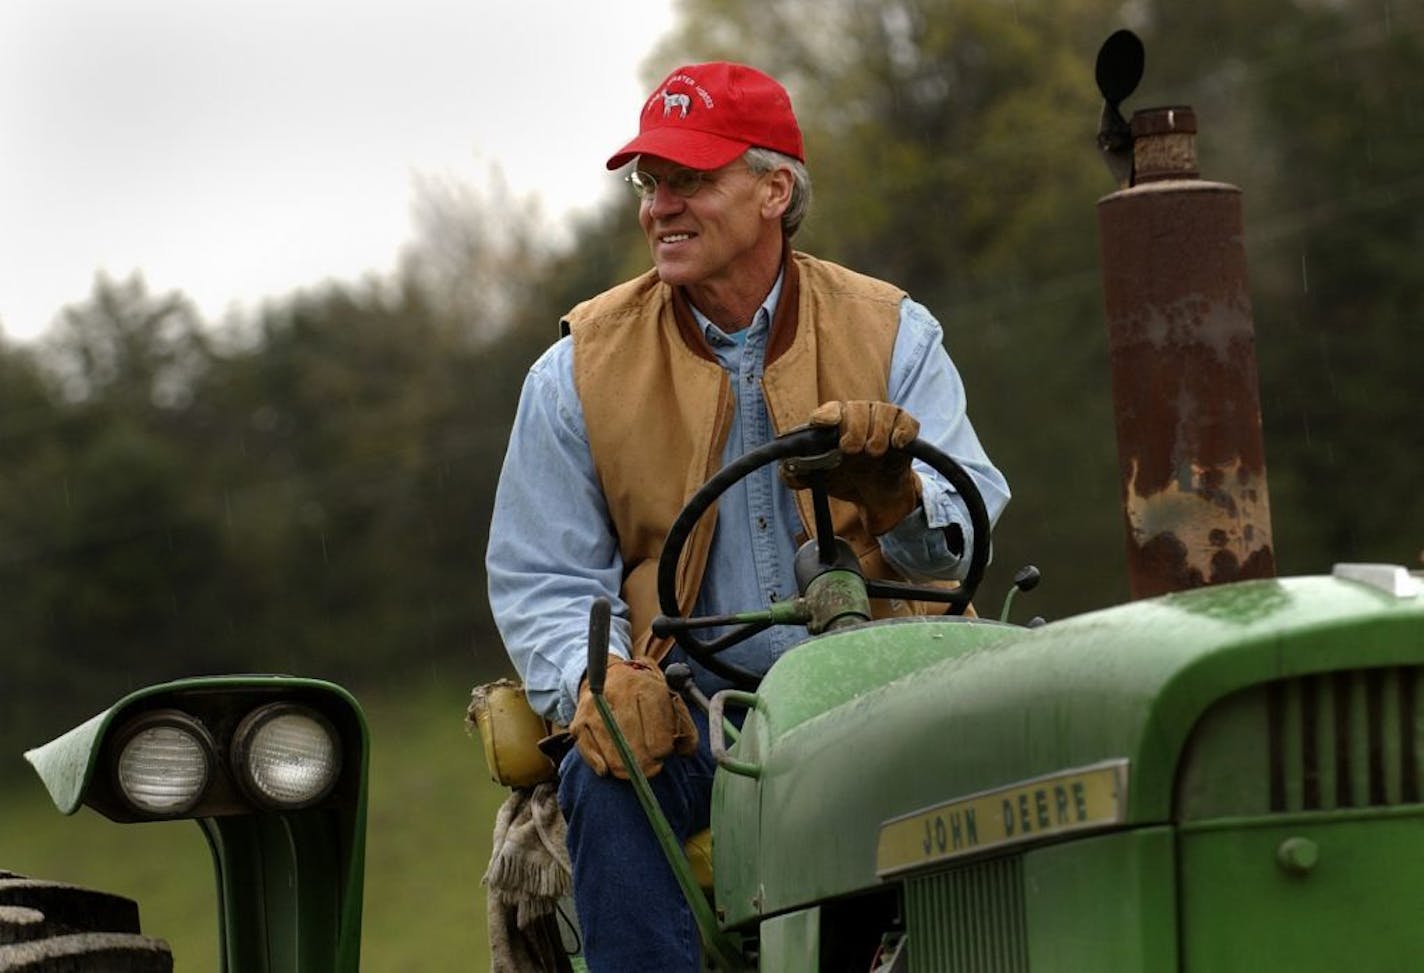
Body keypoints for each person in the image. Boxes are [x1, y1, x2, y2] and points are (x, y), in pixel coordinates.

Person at [486, 60, 1010, 971]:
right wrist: (597, 676)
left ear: (774, 189)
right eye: (652, 183)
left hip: (889, 689)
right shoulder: (576, 371)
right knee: (607, 775)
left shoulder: (893, 330)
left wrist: (898, 501)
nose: (660, 206)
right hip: (699, 716)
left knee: (1032, 747)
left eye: (691, 178)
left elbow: (966, 532)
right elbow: (544, 574)